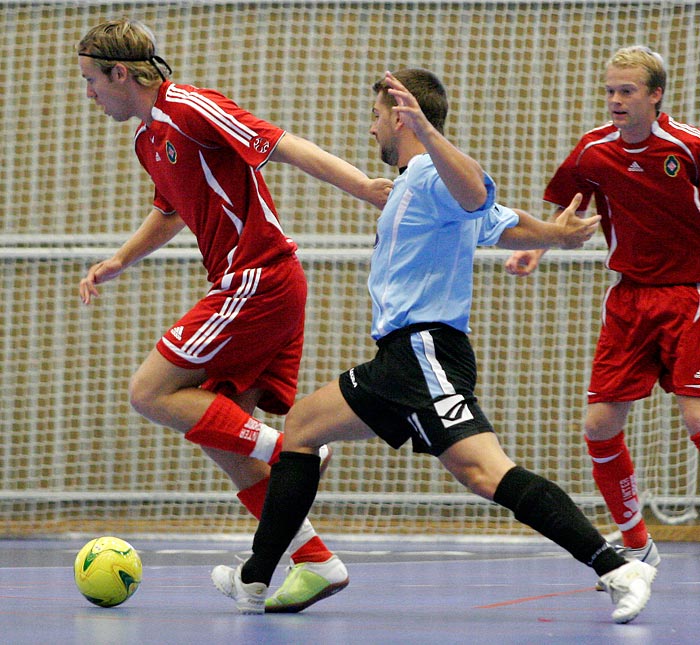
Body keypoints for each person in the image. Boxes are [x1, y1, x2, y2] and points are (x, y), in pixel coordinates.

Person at [211, 68, 656, 624]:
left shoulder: (428, 173)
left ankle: (618, 567)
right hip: (399, 358)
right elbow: (497, 221)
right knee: (302, 428)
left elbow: (476, 193)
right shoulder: (416, 186)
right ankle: (255, 578)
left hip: (426, 354)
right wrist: (553, 234)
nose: (371, 130)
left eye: (376, 117)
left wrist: (427, 133)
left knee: (486, 473)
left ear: (401, 118)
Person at [76, 18, 392, 613]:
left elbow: (281, 143)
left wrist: (363, 188)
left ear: (122, 73)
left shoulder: (190, 106)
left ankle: (293, 449)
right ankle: (314, 559)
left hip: (259, 279)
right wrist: (118, 259)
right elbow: (170, 213)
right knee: (222, 438)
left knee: (148, 392)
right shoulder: (148, 139)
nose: (88, 92)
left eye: (92, 80)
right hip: (250, 285)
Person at [505, 45, 700, 571]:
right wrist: (536, 246)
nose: (615, 100)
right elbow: (570, 209)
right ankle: (637, 542)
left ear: (655, 95)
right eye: (610, 90)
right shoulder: (593, 150)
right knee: (598, 424)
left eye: (627, 91)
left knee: (696, 416)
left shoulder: (688, 147)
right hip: (628, 298)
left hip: (691, 295)